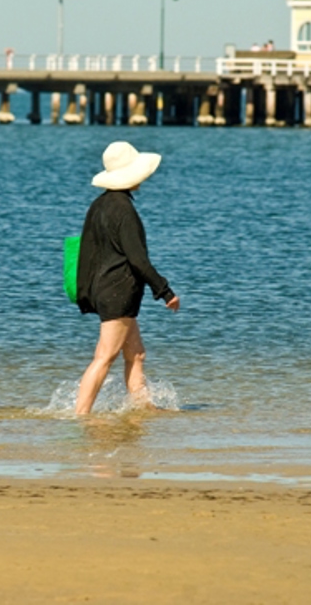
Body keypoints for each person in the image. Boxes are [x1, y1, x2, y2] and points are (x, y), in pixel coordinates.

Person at [75, 141, 180, 415]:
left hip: (106, 289)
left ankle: (142, 408)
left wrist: (87, 293)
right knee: (105, 357)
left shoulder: (98, 206)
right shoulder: (124, 210)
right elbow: (137, 259)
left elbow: (86, 252)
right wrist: (165, 291)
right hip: (118, 292)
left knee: (136, 354)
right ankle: (81, 416)